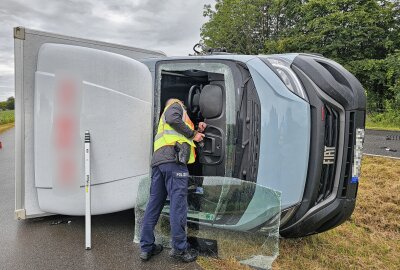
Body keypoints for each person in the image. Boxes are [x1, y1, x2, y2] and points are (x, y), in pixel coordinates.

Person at [140, 98, 206, 262]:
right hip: (174, 162)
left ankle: (146, 248)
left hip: (159, 163)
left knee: (154, 204)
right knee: (178, 205)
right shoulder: (175, 106)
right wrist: (193, 134)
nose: (184, 105)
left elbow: (179, 131)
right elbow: (173, 119)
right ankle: (179, 249)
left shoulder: (167, 121)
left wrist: (197, 129)